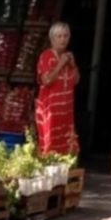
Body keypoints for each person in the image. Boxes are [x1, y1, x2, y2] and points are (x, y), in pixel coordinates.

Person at [35, 22, 80, 155]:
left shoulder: (68, 56)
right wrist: (60, 64)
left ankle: (65, 167)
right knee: (49, 143)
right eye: (59, 36)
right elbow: (46, 81)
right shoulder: (46, 56)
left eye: (65, 36)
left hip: (66, 109)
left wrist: (73, 65)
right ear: (52, 39)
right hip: (50, 109)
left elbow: (76, 81)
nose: (63, 39)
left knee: (66, 142)